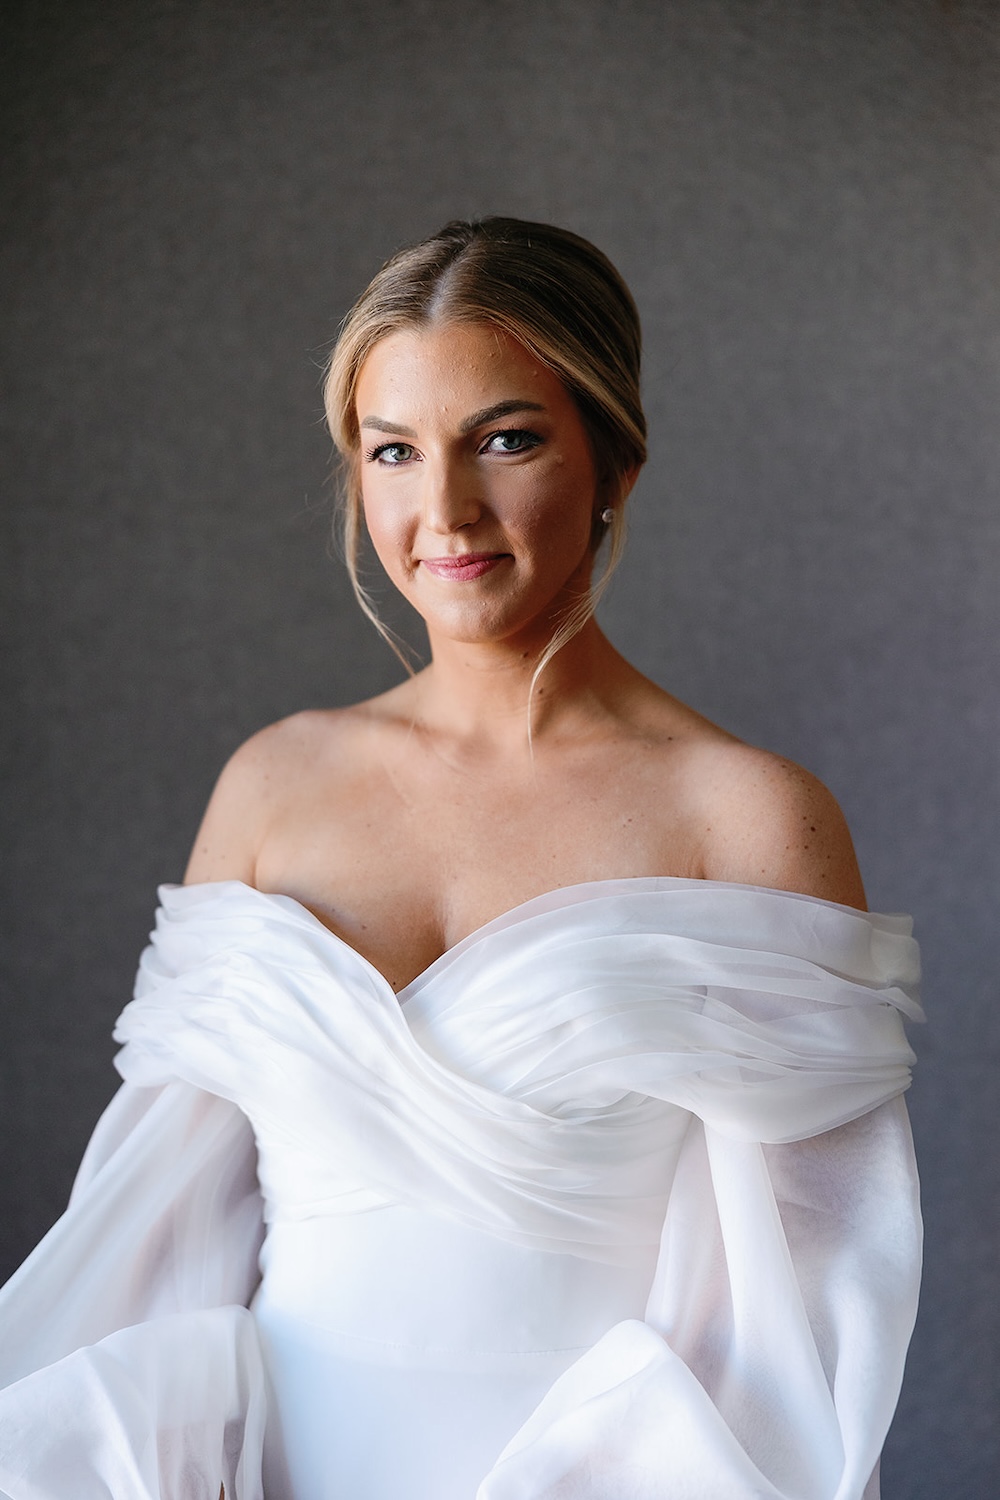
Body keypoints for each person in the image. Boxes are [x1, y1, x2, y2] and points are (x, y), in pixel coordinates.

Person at [0, 218, 922, 1500]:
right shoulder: (272, 788)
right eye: (393, 452)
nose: (443, 510)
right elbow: (153, 1233)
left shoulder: (748, 820)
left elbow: (805, 1319)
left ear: (615, 456)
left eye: (505, 439)